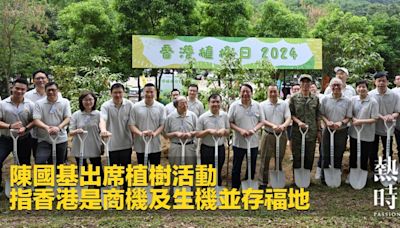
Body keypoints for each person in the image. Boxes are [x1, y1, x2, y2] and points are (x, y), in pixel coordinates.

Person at [0, 78, 35, 193]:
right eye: (17, 88)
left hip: (24, 138)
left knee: (24, 162)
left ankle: (23, 185)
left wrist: (25, 128)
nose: (19, 91)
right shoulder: (3, 104)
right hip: (6, 139)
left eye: (22, 89)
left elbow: (34, 121)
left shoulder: (30, 105)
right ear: (12, 88)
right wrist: (10, 126)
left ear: (26, 90)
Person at [228, 83, 264, 190]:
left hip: (253, 142)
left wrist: (253, 130)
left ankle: (249, 187)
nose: (245, 94)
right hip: (239, 142)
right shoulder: (234, 106)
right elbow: (229, 122)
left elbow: (262, 121)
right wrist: (240, 130)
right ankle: (235, 188)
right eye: (243, 91)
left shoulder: (257, 105)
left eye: (247, 91)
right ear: (240, 93)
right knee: (236, 167)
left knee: (251, 166)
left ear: (251, 93)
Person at [319, 78, 352, 183]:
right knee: (325, 152)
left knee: (339, 152)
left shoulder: (347, 100)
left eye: (338, 85)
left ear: (342, 86)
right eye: (334, 85)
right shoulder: (325, 99)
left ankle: (336, 173)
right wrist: (327, 121)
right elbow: (321, 114)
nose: (336, 87)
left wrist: (341, 123)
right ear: (330, 87)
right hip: (328, 130)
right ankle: (324, 177)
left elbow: (349, 117)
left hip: (341, 131)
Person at [259, 85, 291, 189]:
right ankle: (263, 182)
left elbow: (288, 117)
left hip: (281, 135)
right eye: (271, 92)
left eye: (275, 91)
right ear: (267, 93)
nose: (273, 94)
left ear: (278, 92)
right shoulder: (262, 105)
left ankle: (277, 181)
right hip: (268, 134)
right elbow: (262, 120)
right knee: (265, 159)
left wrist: (283, 126)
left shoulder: (284, 104)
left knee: (279, 157)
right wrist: (273, 126)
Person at [289, 75, 321, 180]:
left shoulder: (315, 99)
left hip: (311, 131)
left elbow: (318, 116)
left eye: (308, 82)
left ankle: (306, 177)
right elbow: (291, 114)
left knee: (310, 154)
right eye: (303, 82)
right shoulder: (294, 98)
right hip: (297, 132)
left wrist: (319, 131)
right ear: (300, 84)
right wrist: (299, 122)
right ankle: (297, 178)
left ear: (311, 84)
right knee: (297, 155)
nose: (305, 85)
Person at [368, 72, 400, 174]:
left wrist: (392, 116)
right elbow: (370, 111)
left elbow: (397, 111)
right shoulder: (370, 95)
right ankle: (374, 170)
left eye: (383, 81)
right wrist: (382, 117)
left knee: (388, 150)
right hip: (373, 127)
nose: (381, 83)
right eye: (379, 81)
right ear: (375, 82)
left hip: (388, 128)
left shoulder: (394, 95)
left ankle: (387, 169)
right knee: (373, 150)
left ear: (387, 82)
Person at [33, 82, 71, 165]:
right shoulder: (39, 103)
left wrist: (58, 127)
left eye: (53, 90)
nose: (51, 92)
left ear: (57, 90)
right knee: (40, 161)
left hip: (61, 138)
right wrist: (46, 127)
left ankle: (56, 177)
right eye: (48, 90)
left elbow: (67, 118)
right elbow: (36, 119)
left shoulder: (65, 102)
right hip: (44, 138)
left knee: (59, 163)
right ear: (45, 91)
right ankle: (44, 177)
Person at [196, 94, 230, 186]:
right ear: (209, 103)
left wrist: (224, 131)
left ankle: (216, 193)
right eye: (213, 102)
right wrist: (208, 131)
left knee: (217, 171)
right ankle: (204, 195)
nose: (215, 104)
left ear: (221, 103)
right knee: (206, 173)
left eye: (218, 102)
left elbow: (228, 131)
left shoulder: (224, 115)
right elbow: (197, 134)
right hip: (207, 149)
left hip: (220, 148)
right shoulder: (203, 117)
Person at [69, 91, 103, 182]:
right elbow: (70, 131)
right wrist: (77, 131)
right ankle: (86, 181)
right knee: (82, 164)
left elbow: (102, 129)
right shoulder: (76, 114)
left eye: (90, 99)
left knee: (96, 164)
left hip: (94, 142)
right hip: (80, 143)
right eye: (85, 100)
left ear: (94, 101)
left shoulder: (99, 114)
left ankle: (98, 182)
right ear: (81, 101)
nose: (88, 102)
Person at [99, 83, 134, 169]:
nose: (117, 95)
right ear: (111, 93)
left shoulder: (129, 105)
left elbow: (133, 122)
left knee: (126, 170)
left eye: (120, 92)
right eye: (115, 92)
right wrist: (103, 130)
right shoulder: (106, 106)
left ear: (124, 93)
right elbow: (103, 118)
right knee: (114, 171)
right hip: (111, 144)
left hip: (126, 143)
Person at [348, 80, 378, 178]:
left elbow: (374, 118)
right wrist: (353, 119)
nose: (361, 89)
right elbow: (350, 114)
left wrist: (360, 122)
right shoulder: (353, 99)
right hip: (354, 132)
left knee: (364, 155)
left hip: (366, 133)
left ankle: (363, 173)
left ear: (367, 88)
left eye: (363, 87)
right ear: (356, 89)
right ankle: (352, 173)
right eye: (359, 87)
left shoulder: (373, 102)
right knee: (353, 153)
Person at [130, 83, 166, 166]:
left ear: (155, 93)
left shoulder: (161, 107)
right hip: (140, 144)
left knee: (155, 169)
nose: (149, 94)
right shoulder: (135, 107)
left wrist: (154, 134)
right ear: (143, 92)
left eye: (151, 92)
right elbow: (131, 125)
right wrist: (141, 133)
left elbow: (162, 125)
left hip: (155, 145)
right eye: (147, 92)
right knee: (142, 167)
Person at [164, 96, 197, 165]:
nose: (185, 105)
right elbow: (165, 134)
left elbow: (198, 131)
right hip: (175, 147)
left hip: (189, 147)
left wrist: (190, 134)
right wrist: (175, 134)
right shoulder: (170, 117)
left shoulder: (192, 116)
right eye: (182, 103)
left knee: (190, 170)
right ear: (176, 106)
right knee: (175, 169)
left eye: (186, 103)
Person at [391, 75, 400, 161]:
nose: (399, 80)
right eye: (397, 79)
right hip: (396, 120)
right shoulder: (392, 92)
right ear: (394, 81)